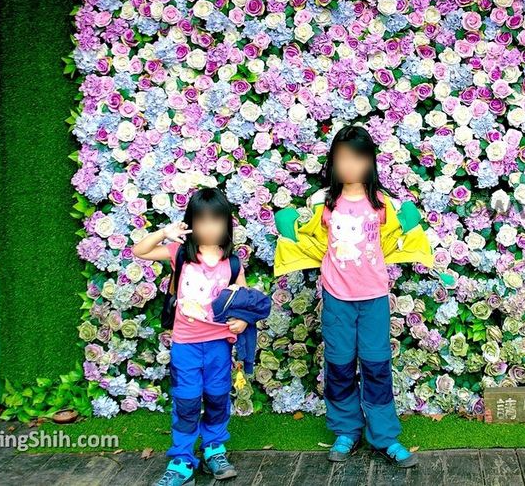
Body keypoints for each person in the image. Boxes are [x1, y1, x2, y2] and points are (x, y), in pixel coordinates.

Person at [273, 124, 433, 468]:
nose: (349, 165)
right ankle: (347, 430)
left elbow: (397, 240)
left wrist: (414, 229)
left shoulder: (383, 204)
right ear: (332, 162)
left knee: (377, 367)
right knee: (340, 367)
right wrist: (289, 231)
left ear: (370, 161)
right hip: (336, 299)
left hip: (374, 298)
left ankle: (384, 436)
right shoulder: (322, 204)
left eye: (357, 158)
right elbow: (309, 240)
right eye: (342, 158)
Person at [133, 187, 248, 484]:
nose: (209, 227)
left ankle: (214, 449)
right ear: (191, 223)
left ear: (226, 224)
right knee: (186, 400)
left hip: (219, 345)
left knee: (217, 396)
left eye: (216, 220)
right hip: (186, 344)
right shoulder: (180, 254)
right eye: (202, 220)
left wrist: (241, 323)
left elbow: (243, 301)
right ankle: (182, 459)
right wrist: (165, 232)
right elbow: (140, 251)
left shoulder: (232, 262)